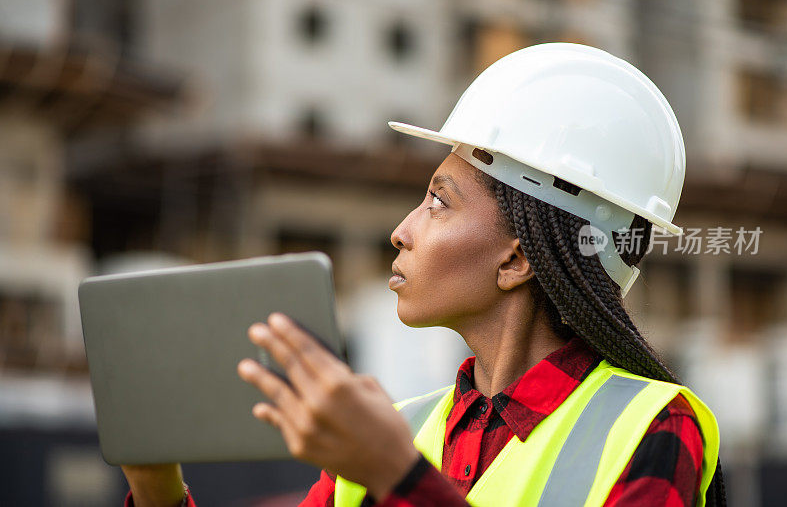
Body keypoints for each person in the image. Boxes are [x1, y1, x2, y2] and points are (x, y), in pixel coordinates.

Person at [121, 43, 725, 506]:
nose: (402, 230)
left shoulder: (651, 427)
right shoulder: (395, 432)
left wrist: (396, 477)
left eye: (439, 201)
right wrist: (155, 488)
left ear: (517, 259)